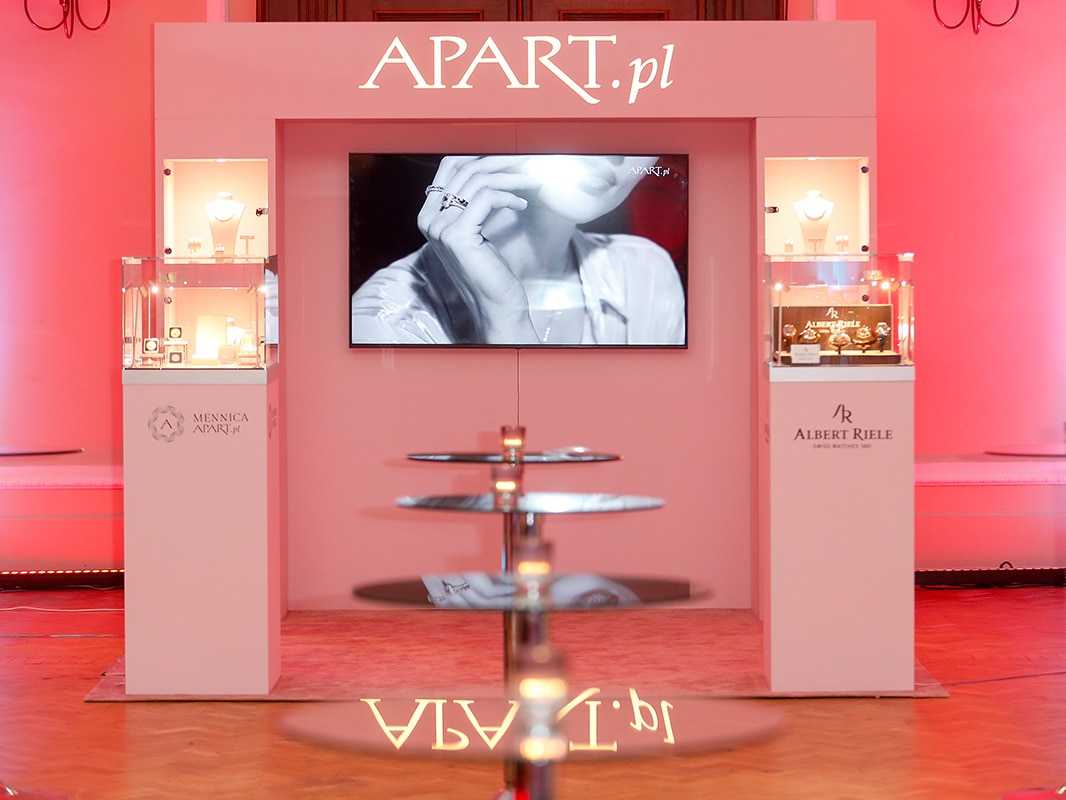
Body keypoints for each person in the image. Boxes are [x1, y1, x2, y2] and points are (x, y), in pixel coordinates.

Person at [350, 154, 686, 346]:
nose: (615, 150)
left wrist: (509, 323)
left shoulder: (645, 274)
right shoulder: (385, 322)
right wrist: (504, 316)